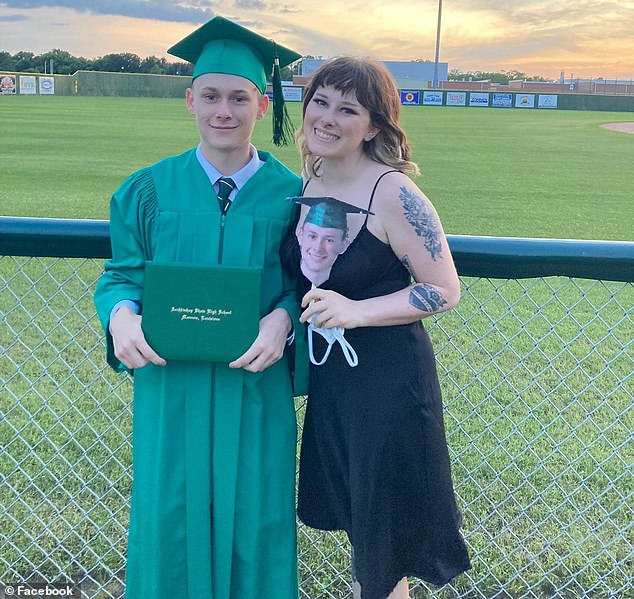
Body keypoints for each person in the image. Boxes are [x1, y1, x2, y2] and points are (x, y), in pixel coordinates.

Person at [93, 16, 303, 599]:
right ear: (189, 100)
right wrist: (121, 315)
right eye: (210, 96)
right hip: (171, 388)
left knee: (256, 516)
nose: (224, 111)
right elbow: (121, 276)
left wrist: (285, 318)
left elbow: (305, 284)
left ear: (263, 103)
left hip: (255, 389)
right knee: (170, 515)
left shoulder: (294, 197)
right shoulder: (149, 190)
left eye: (240, 98)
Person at [290, 57, 472, 598]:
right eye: (320, 101)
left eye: (347, 109)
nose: (327, 117)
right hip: (335, 382)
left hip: (389, 385)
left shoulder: (393, 194)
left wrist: (356, 311)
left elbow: (444, 288)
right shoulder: (314, 174)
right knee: (360, 526)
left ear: (373, 126)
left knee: (382, 537)